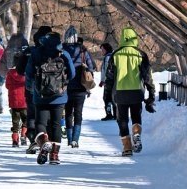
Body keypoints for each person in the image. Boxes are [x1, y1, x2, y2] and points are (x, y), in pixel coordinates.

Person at [103, 27, 156, 156]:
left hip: (120, 92)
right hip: (137, 91)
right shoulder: (141, 54)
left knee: (122, 120)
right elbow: (147, 76)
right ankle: (136, 133)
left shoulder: (115, 55)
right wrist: (151, 92)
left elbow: (109, 77)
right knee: (136, 116)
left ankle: (127, 148)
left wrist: (107, 95)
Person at [25, 31, 75, 165]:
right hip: (59, 96)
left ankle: (44, 142)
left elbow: (28, 74)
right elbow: (72, 74)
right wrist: (63, 83)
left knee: (40, 123)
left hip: (40, 95)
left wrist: (32, 87)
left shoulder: (36, 53)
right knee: (56, 125)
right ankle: (54, 155)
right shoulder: (64, 54)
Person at [18, 26, 52, 154]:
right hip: (51, 90)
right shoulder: (56, 51)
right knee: (47, 117)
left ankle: (34, 141)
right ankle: (47, 140)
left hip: (31, 88)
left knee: (32, 116)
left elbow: (19, 70)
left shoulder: (29, 51)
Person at [63, 27, 96, 148]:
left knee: (68, 113)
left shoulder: (62, 50)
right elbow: (91, 67)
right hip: (81, 87)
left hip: (66, 87)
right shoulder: (82, 51)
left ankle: (69, 137)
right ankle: (75, 139)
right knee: (78, 113)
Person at [5, 58, 28, 147]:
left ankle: (15, 140)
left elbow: (7, 86)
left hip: (14, 101)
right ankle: (23, 134)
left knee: (15, 122)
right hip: (24, 101)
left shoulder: (10, 73)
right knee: (26, 120)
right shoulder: (26, 73)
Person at [98, 43, 116, 121]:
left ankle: (109, 114)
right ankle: (116, 115)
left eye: (102, 49)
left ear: (106, 49)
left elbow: (106, 70)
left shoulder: (108, 57)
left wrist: (103, 80)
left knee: (107, 98)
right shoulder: (114, 55)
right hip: (114, 81)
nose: (101, 51)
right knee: (113, 98)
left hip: (108, 81)